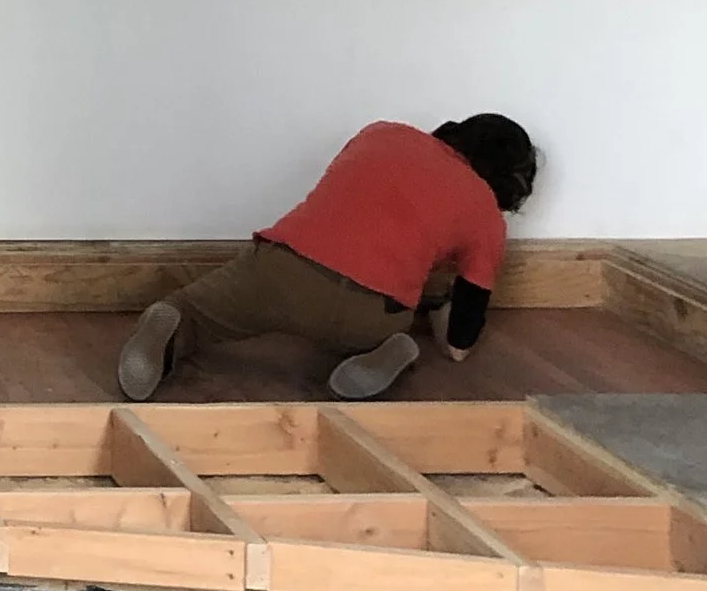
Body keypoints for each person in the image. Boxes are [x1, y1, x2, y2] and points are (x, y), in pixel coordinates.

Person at [118, 114, 540, 405]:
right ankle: (392, 350)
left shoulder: (382, 133)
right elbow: (458, 347)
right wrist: (442, 306)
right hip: (370, 312)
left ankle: (166, 330)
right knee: (401, 321)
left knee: (187, 310)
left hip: (279, 272)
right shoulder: (485, 213)